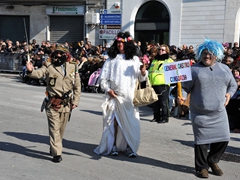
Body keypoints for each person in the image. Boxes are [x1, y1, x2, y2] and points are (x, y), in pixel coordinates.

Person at [181, 39, 237, 178]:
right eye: (204, 53)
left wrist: (229, 94)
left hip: (219, 113)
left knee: (224, 138)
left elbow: (233, 85)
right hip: (200, 113)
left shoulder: (224, 69)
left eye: (210, 53)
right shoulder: (193, 70)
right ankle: (202, 168)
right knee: (201, 142)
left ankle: (212, 160)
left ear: (216, 55)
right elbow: (183, 87)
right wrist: (181, 97)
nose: (207, 56)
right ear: (200, 54)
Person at [94, 31, 147, 157]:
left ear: (127, 44)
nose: (119, 45)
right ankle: (113, 146)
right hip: (115, 96)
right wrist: (108, 90)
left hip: (129, 98)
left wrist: (144, 72)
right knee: (114, 123)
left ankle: (129, 147)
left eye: (122, 43)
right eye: (117, 43)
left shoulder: (134, 60)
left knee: (130, 123)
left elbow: (141, 79)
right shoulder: (111, 60)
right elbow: (103, 78)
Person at [26, 45, 81, 163]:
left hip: (66, 104)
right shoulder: (49, 66)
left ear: (66, 55)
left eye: (61, 54)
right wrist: (30, 71)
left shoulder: (73, 66)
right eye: (56, 53)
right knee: (54, 128)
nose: (58, 56)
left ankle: (54, 146)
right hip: (52, 103)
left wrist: (75, 101)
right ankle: (57, 153)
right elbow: (38, 73)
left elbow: (77, 86)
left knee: (61, 129)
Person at [148, 44, 174, 123]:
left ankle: (165, 117)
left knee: (163, 102)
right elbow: (150, 71)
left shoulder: (168, 60)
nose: (160, 51)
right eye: (159, 49)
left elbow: (174, 71)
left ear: (166, 51)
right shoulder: (155, 60)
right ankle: (157, 117)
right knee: (155, 102)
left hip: (163, 84)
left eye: (162, 50)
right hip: (153, 83)